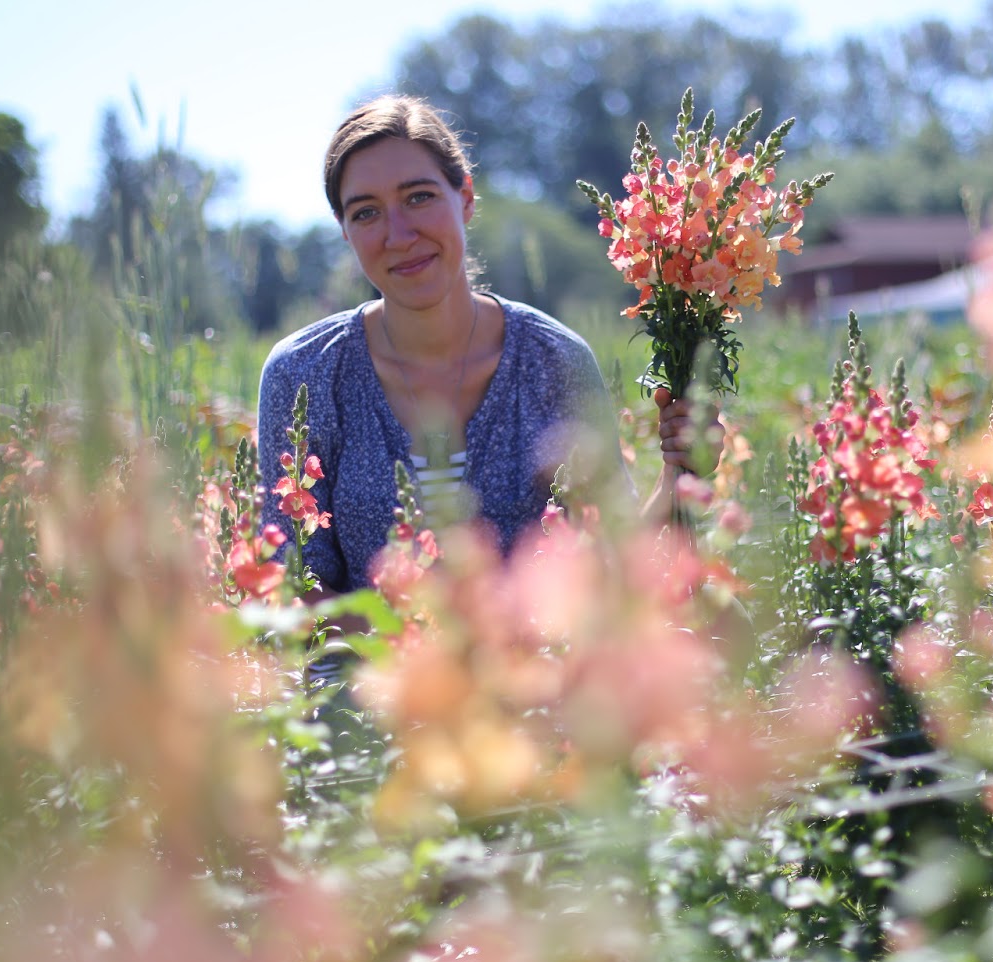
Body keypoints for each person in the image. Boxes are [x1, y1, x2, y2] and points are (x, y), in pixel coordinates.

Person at [258, 95, 719, 603]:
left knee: (726, 616)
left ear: (467, 198)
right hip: (364, 678)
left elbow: (615, 560)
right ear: (345, 233)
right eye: (366, 213)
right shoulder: (304, 372)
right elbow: (292, 588)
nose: (399, 234)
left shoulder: (553, 360)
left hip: (539, 676)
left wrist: (680, 472)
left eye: (419, 197)